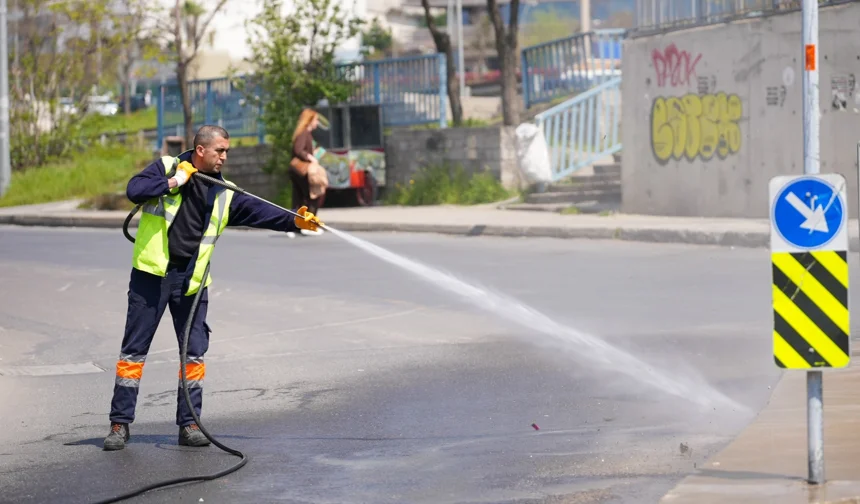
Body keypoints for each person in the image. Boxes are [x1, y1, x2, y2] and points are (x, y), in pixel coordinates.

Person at [103, 125, 321, 451]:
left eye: (226, 152)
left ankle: (190, 424)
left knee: (193, 355)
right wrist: (177, 180)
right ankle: (119, 424)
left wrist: (295, 220)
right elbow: (135, 190)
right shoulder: (166, 167)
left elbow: (258, 211)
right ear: (200, 150)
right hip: (153, 276)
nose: (224, 157)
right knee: (133, 352)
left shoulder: (224, 190)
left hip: (192, 281)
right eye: (220, 151)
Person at [288, 108, 329, 236]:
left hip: (296, 171)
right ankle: (308, 226)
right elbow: (298, 150)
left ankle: (293, 227)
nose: (317, 122)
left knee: (298, 198)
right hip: (302, 171)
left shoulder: (304, 133)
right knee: (313, 196)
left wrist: (314, 153)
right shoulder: (304, 133)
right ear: (310, 120)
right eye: (316, 119)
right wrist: (310, 157)